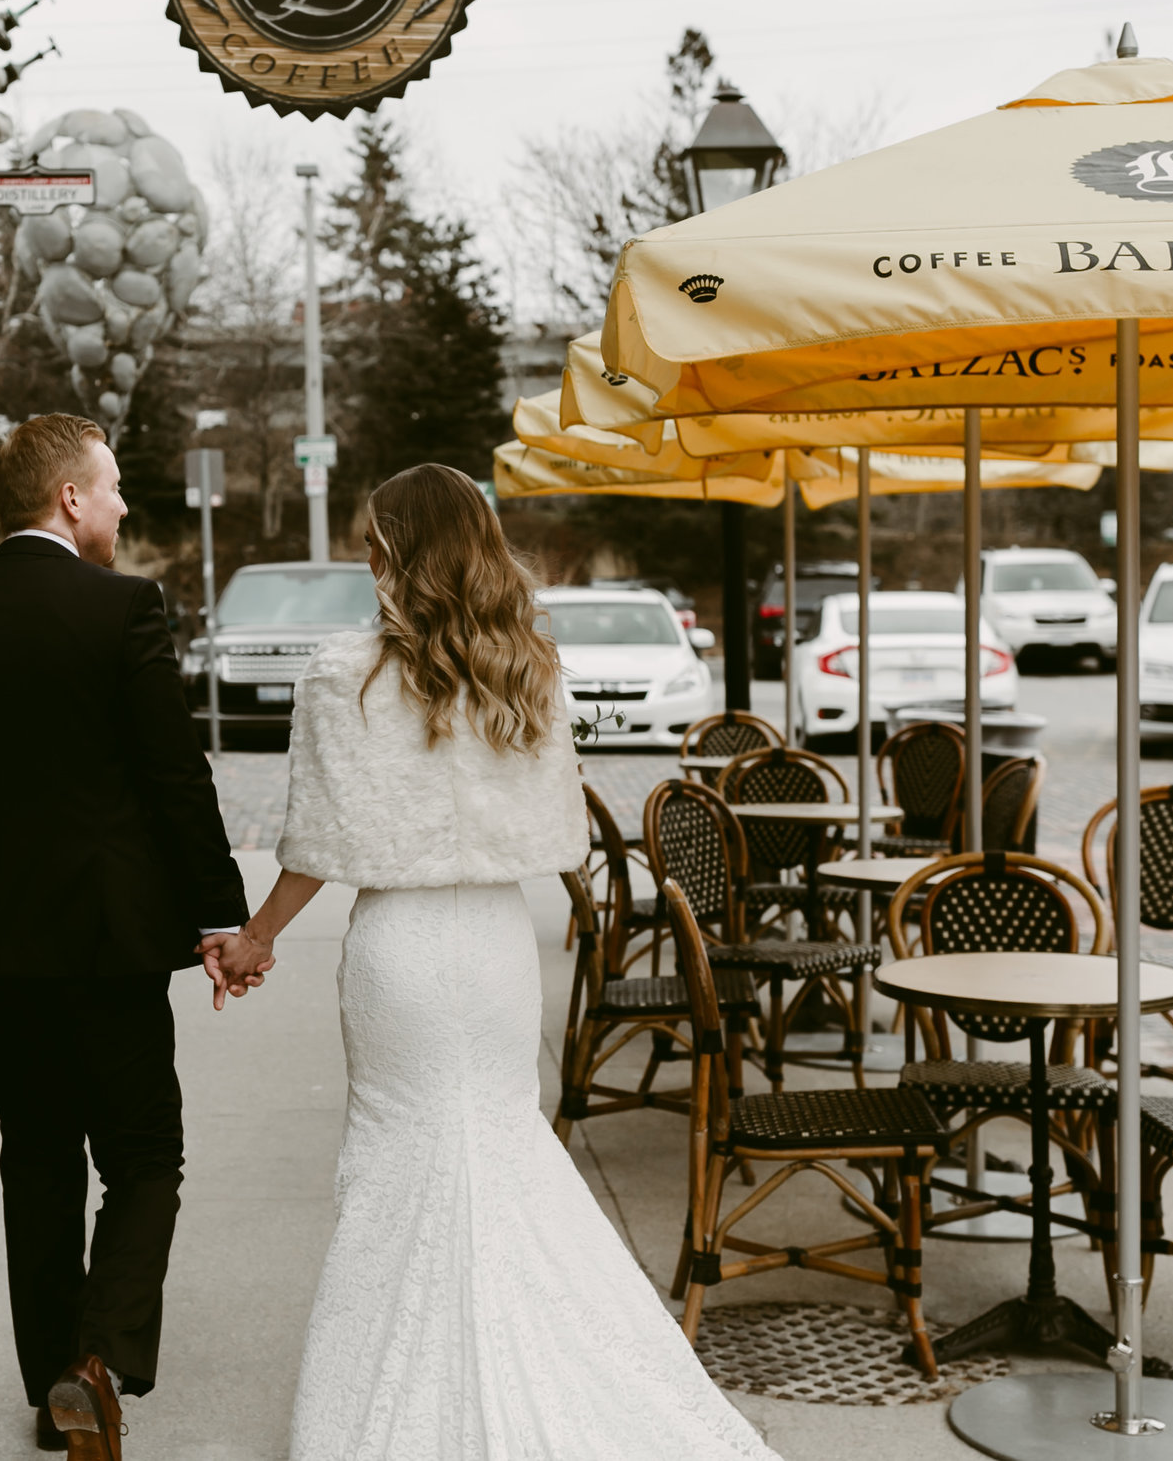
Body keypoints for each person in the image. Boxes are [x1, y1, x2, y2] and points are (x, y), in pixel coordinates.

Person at [205, 464, 780, 1461]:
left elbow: (317, 842)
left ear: (391, 548)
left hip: (402, 952)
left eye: (371, 538)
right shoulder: (528, 667)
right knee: (502, 1147)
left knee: (398, 1164)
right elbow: (559, 833)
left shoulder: (345, 675)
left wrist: (256, 937)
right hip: (494, 945)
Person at [0, 412, 257, 1461]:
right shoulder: (121, 609)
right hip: (114, 938)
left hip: (2, 944)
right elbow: (173, 779)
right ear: (68, 499)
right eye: (113, 487)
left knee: (36, 1155)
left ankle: (51, 1387)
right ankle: (94, 1360)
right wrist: (219, 917)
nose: (124, 504)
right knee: (144, 1150)